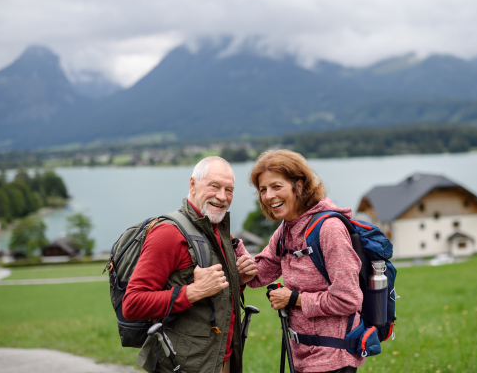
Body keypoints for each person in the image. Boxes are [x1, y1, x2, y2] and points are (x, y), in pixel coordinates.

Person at [123, 156, 257, 373]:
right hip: (182, 365)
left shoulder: (218, 230)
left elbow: (215, 297)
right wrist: (193, 291)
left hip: (220, 362)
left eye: (229, 190)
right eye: (214, 186)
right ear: (193, 185)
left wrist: (238, 281)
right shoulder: (168, 233)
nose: (222, 197)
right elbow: (132, 303)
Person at [246, 150, 364, 373]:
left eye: (276, 186)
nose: (269, 196)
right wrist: (230, 244)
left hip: (333, 359)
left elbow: (348, 299)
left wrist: (295, 299)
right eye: (263, 190)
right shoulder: (286, 230)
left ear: (299, 185)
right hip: (301, 356)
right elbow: (258, 275)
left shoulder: (329, 230)